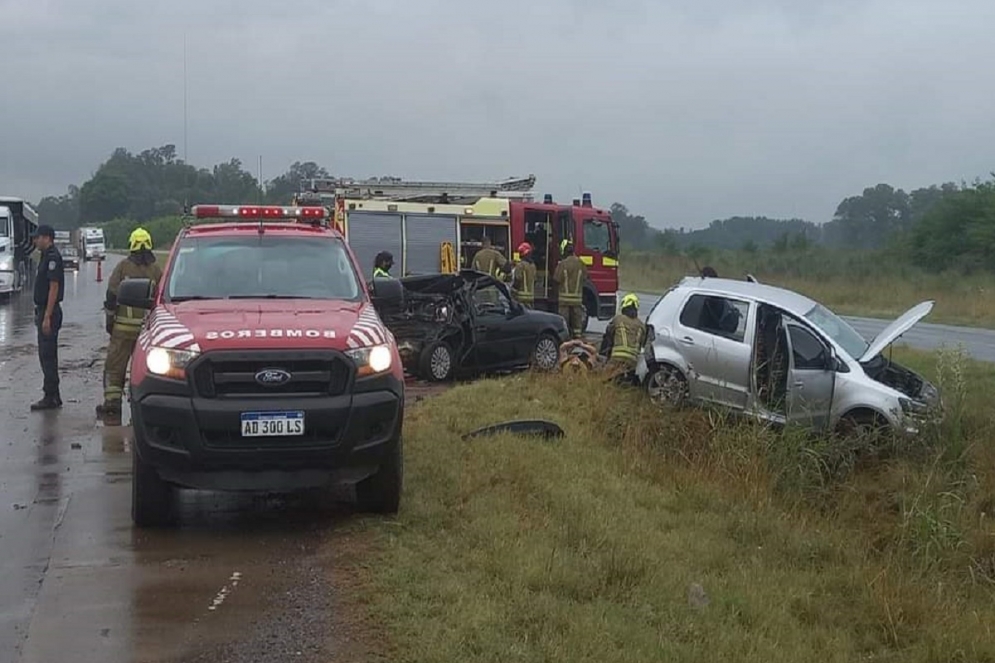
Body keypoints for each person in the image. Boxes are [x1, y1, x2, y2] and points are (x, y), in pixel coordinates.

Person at [96, 228, 163, 426]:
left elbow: (111, 296)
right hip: (147, 332)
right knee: (144, 370)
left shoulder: (123, 267)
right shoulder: (157, 271)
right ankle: (142, 407)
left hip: (123, 330)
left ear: (132, 245)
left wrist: (110, 321)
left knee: (115, 367)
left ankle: (112, 404)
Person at [30, 225, 65, 411]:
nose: (35, 241)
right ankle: (53, 395)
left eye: (37, 238)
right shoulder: (45, 256)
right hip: (44, 310)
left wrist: (47, 317)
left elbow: (54, 287)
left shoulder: (52, 257)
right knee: (47, 355)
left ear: (47, 238)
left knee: (48, 355)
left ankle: (50, 396)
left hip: (48, 311)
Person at [600, 293, 647, 384]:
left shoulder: (618, 319)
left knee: (604, 379)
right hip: (632, 361)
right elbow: (642, 344)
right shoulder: (642, 325)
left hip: (617, 358)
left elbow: (608, 336)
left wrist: (604, 355)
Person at [552, 239, 588, 339]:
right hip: (577, 300)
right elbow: (585, 278)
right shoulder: (581, 263)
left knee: (564, 322)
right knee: (577, 324)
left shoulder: (562, 264)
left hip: (564, 300)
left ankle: (565, 340)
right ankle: (577, 339)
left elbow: (556, 279)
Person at [511, 242, 537, 308]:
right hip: (531, 297)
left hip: (521, 298)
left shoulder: (520, 265)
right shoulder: (533, 266)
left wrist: (512, 290)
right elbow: (535, 281)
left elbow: (517, 280)